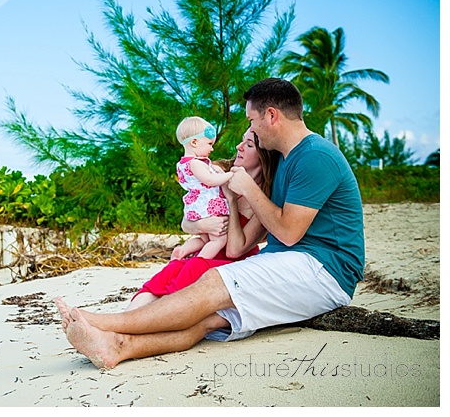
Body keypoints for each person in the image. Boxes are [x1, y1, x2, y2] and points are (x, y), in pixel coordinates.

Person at [55, 78, 365, 369]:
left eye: (252, 120)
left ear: (271, 115)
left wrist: (248, 189)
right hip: (293, 264)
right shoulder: (284, 159)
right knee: (208, 319)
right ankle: (118, 346)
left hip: (324, 269)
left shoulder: (315, 156)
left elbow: (288, 231)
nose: (251, 128)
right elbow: (244, 229)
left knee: (215, 282)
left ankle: (101, 322)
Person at [127, 129, 279, 311]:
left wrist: (231, 200)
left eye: (248, 145)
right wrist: (200, 225)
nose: (239, 147)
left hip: (230, 264)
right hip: (204, 251)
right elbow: (187, 222)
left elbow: (234, 251)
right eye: (241, 141)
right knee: (168, 273)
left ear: (264, 155)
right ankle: (124, 320)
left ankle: (148, 321)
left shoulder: (264, 198)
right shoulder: (215, 171)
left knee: (190, 271)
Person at [172, 116, 234, 260]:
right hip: (208, 206)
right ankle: (200, 261)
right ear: (194, 142)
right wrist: (230, 175)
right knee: (218, 240)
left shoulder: (183, 164)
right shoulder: (196, 163)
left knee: (205, 240)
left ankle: (182, 251)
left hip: (197, 206)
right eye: (209, 144)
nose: (212, 148)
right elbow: (210, 180)